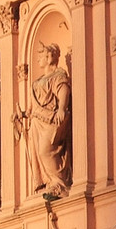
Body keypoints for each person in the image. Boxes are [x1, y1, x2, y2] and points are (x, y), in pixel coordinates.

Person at [27, 42, 72, 197]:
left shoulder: (58, 76)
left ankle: (59, 184)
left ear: (49, 57)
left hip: (51, 119)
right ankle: (48, 183)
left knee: (46, 150)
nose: (38, 59)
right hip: (36, 122)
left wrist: (61, 108)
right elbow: (32, 106)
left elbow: (63, 91)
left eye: (41, 56)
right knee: (38, 153)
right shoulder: (37, 81)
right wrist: (22, 115)